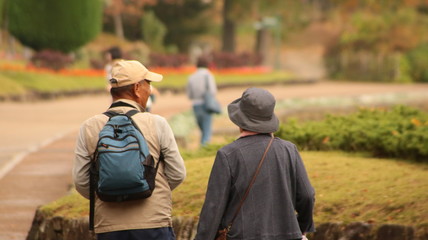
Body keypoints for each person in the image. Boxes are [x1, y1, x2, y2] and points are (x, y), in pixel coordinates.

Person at [73, 60, 186, 239]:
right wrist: (148, 189)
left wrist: (111, 193)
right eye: (148, 84)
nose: (150, 90)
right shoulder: (157, 124)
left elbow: (81, 181)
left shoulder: (89, 127)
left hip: (109, 227)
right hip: (153, 223)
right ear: (136, 88)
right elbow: (177, 173)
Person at [194, 87, 315, 240]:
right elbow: (307, 195)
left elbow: (213, 209)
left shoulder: (228, 155)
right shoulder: (289, 150)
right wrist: (300, 228)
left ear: (239, 120)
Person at [186, 57, 218, 146]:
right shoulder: (208, 75)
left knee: (202, 130)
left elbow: (189, 95)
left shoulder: (191, 77)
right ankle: (204, 150)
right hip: (206, 105)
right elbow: (212, 91)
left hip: (196, 105)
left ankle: (202, 148)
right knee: (207, 131)